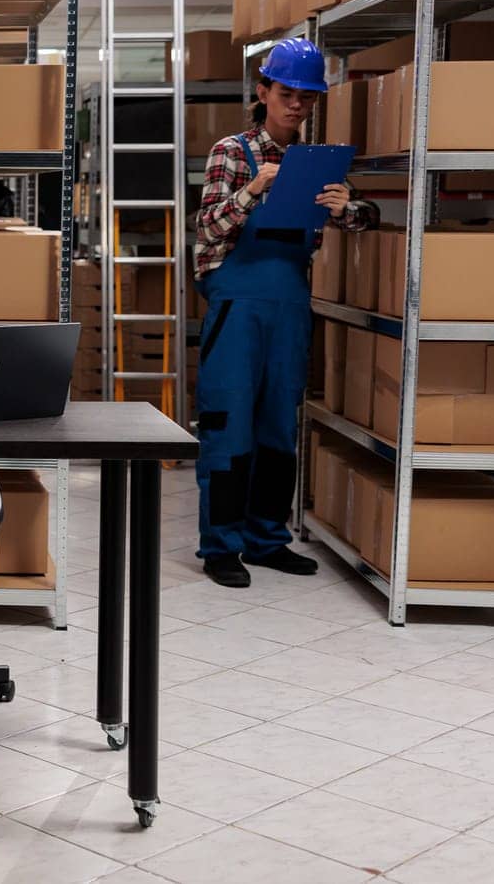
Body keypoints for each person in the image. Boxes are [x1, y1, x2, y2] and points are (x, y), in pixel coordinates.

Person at [193, 38, 377, 588]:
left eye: (307, 97)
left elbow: (365, 215)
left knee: (278, 425)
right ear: (263, 92)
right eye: (287, 93)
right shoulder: (231, 151)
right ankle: (220, 545)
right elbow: (208, 227)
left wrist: (351, 210)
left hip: (290, 304)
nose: (297, 105)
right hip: (236, 303)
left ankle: (267, 538)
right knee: (229, 423)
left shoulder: (318, 162)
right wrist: (254, 188)